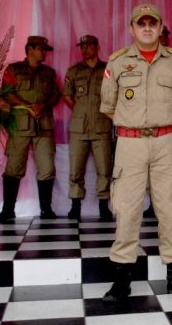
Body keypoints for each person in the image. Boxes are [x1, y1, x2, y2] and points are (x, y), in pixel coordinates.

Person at [99, 3, 172, 302]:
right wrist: (135, 124)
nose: (146, 28)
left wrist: (161, 122)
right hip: (130, 144)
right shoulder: (117, 62)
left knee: (168, 209)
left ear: (160, 28)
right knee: (128, 210)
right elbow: (108, 106)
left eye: (152, 23)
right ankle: (122, 280)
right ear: (132, 28)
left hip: (165, 142)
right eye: (140, 23)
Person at [0, 36, 61, 223]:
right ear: (30, 49)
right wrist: (27, 105)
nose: (44, 52)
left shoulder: (49, 73)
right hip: (20, 125)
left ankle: (46, 210)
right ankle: (8, 210)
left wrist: (42, 105)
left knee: (47, 168)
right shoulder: (13, 70)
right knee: (13, 167)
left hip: (44, 126)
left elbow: (56, 95)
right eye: (41, 48)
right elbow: (6, 93)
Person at [63, 35, 113, 221]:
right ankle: (75, 205)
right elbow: (67, 95)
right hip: (79, 127)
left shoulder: (108, 69)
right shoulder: (74, 71)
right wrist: (80, 110)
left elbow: (115, 94)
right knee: (76, 168)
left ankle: (103, 205)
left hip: (101, 126)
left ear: (97, 47)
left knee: (104, 168)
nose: (84, 50)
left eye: (88, 46)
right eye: (82, 47)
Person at [143, 25, 172, 220]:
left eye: (164, 36)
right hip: (148, 122)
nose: (161, 39)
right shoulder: (139, 60)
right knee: (150, 164)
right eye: (158, 35)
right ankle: (154, 204)